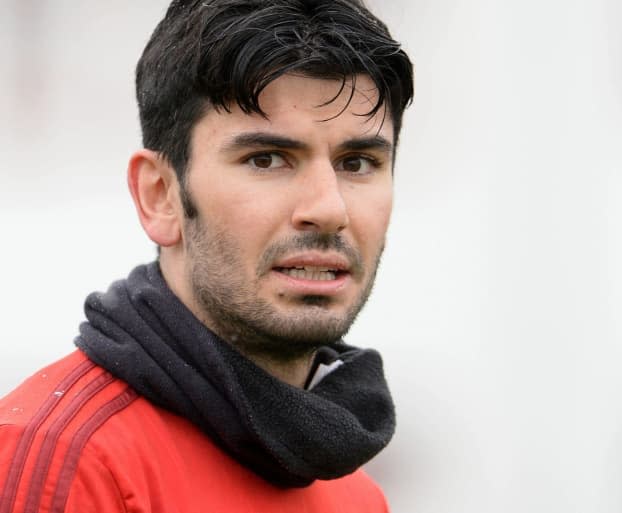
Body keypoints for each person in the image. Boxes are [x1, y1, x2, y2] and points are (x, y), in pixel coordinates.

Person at [0, 0, 413, 511]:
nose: (328, 209)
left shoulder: (355, 495)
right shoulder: (67, 460)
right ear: (160, 195)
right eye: (266, 159)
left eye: (358, 162)